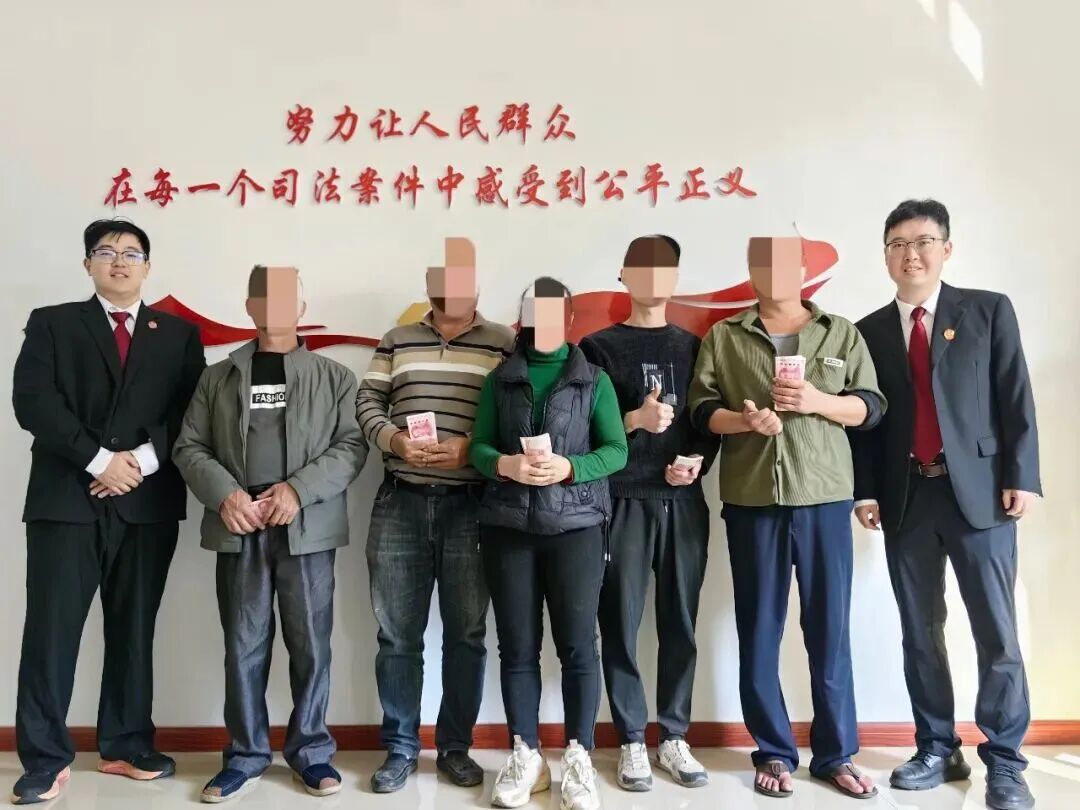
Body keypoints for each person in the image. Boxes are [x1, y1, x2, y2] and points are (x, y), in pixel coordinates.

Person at [850, 199, 1040, 810]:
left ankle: (1005, 761)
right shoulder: (868, 331)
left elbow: (1015, 394)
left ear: (946, 249)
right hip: (907, 496)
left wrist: (1021, 476)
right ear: (885, 255)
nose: (911, 254)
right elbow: (867, 422)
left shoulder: (987, 310)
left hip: (981, 495)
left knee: (996, 632)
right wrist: (866, 489)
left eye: (923, 242)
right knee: (919, 631)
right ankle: (936, 746)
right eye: (898, 244)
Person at [11, 218, 205, 805]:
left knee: (133, 629)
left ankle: (126, 744)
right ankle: (45, 759)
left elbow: (193, 412)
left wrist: (140, 461)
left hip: (146, 503)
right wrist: (99, 460)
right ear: (87, 263)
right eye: (105, 251)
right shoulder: (53, 323)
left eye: (131, 253)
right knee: (51, 631)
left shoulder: (178, 334)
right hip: (66, 498)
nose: (119, 261)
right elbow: (33, 402)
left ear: (148, 266)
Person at [688, 236, 886, 800]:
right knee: (759, 628)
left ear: (803, 270)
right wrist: (744, 421)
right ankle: (772, 750)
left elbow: (871, 407)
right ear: (751, 270)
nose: (774, 272)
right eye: (763, 262)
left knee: (830, 630)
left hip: (824, 499)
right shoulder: (725, 336)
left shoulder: (839, 332)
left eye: (785, 263)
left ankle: (836, 754)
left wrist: (818, 401)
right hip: (753, 501)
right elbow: (702, 412)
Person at [173, 265, 367, 803]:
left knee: (312, 645)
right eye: (266, 297)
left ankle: (312, 752)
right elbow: (189, 446)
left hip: (306, 526)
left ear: (302, 309)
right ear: (250, 307)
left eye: (288, 298)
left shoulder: (333, 377)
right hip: (240, 523)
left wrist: (298, 491)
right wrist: (226, 496)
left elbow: (351, 446)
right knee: (243, 645)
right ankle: (245, 756)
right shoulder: (218, 377)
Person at [355, 238, 514, 793]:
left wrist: (472, 447)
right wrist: (395, 440)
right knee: (397, 635)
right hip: (399, 499)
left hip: (472, 505)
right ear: (429, 286)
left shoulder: (503, 342)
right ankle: (401, 747)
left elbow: (516, 412)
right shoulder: (396, 340)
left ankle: (455, 747)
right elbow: (367, 402)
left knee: (467, 634)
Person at [469, 276, 628, 810]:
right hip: (508, 528)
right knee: (517, 648)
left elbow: (616, 451)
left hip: (577, 529)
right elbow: (478, 447)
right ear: (523, 320)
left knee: (579, 646)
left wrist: (570, 468)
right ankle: (527, 756)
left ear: (569, 320)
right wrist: (505, 465)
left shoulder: (593, 380)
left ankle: (579, 755)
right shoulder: (500, 379)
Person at [579, 235, 719, 791]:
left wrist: (697, 464)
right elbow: (580, 428)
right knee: (620, 620)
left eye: (665, 268)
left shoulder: (696, 346)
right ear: (623, 274)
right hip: (621, 500)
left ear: (676, 278)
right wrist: (634, 420)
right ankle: (633, 739)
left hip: (682, 501)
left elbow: (708, 421)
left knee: (680, 620)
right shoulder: (596, 348)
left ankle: (675, 735)